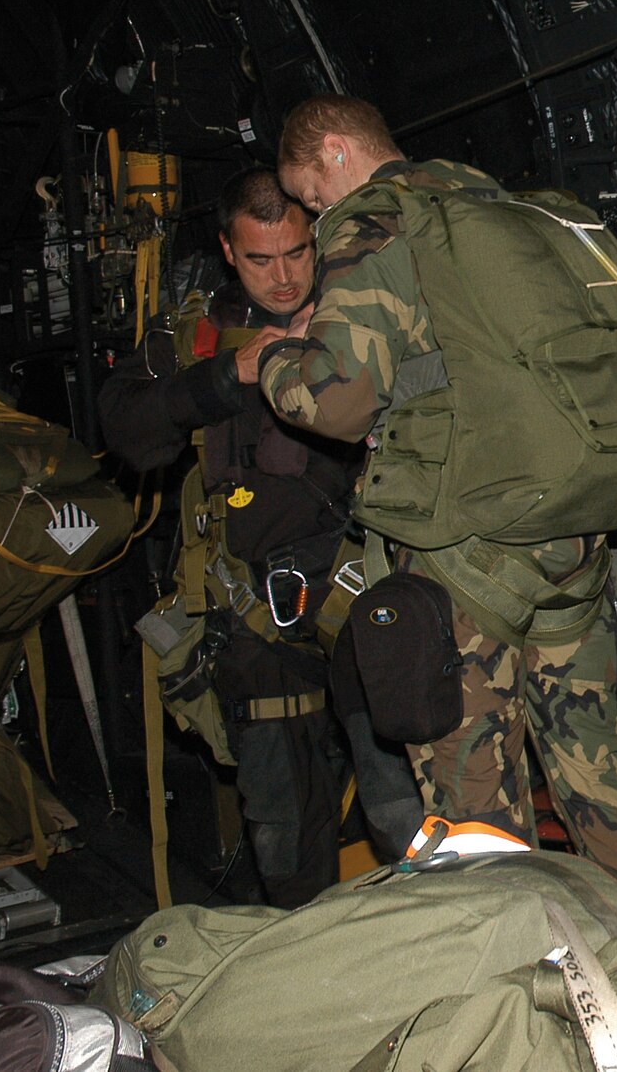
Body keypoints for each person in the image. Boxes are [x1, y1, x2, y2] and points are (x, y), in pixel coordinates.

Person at [252, 95, 617, 894]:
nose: (317, 217)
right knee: (595, 779)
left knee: (471, 803)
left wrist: (280, 359)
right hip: (571, 531)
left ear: (337, 152)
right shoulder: (491, 200)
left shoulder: (375, 224)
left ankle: (518, 994)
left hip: (468, 551)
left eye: (311, 196)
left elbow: (337, 403)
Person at [100, 168, 422, 906]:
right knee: (283, 836)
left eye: (297, 253)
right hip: (254, 618)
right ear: (226, 251)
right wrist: (228, 375)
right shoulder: (202, 331)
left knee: (407, 813)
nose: (283, 277)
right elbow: (125, 428)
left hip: (368, 593)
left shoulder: (368, 307)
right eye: (259, 259)